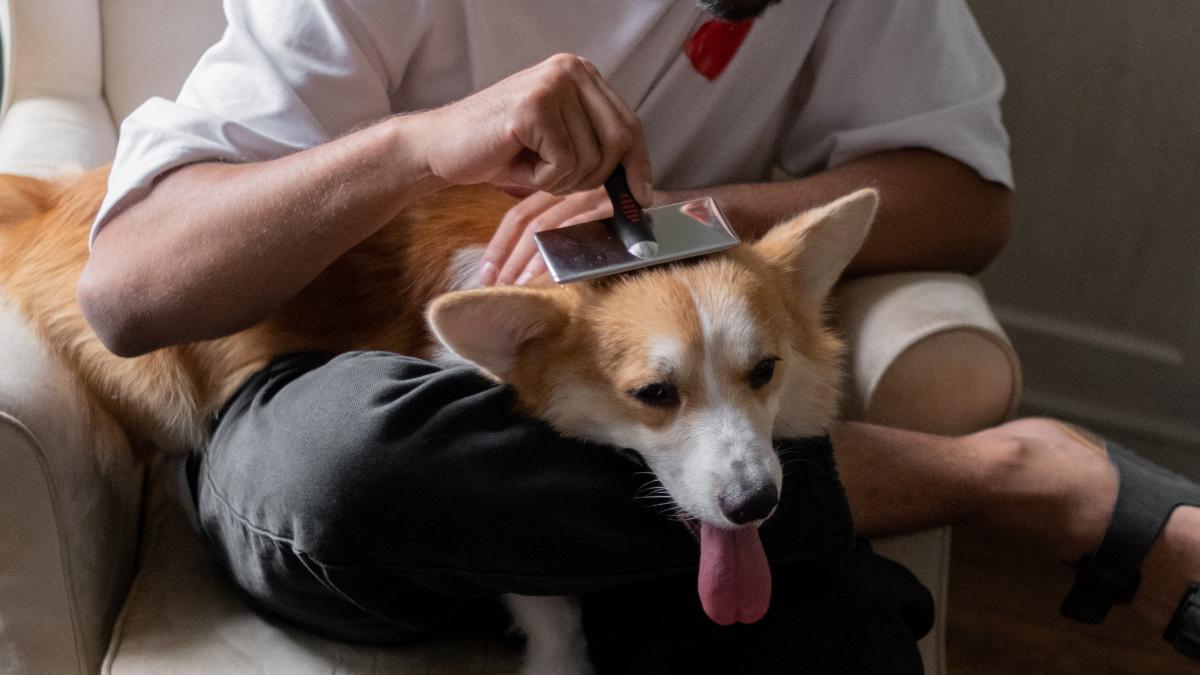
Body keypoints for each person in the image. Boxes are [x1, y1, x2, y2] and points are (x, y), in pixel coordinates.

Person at [75, 0, 1200, 670]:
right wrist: (417, 146)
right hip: (359, 419)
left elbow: (966, 199)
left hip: (658, 452)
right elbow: (127, 294)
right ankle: (997, 479)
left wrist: (659, 232)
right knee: (346, 468)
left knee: (829, 635)